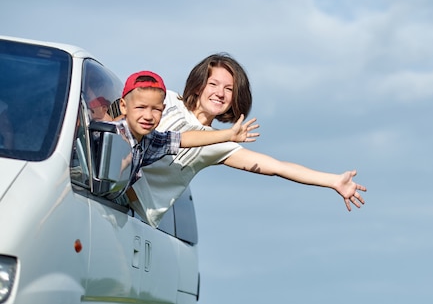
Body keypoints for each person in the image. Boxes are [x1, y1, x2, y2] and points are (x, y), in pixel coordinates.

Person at [129, 54, 366, 228]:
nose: (220, 93)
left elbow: (278, 167)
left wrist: (333, 180)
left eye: (229, 89)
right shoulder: (166, 100)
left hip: (137, 212)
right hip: (112, 188)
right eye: (213, 84)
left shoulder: (220, 144)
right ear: (199, 84)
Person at [114, 70, 260, 188]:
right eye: (141, 107)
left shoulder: (151, 140)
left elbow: (184, 138)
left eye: (156, 109)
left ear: (163, 109)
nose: (148, 116)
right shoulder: (112, 135)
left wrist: (229, 134)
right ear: (123, 107)